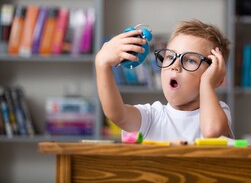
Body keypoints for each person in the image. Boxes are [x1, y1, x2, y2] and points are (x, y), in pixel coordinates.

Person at [95, 19, 234, 141]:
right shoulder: (151, 117)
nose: (175, 65)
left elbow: (213, 133)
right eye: (170, 57)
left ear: (216, 78)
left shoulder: (218, 111)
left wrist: (207, 84)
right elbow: (117, 115)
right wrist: (102, 64)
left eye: (190, 60)